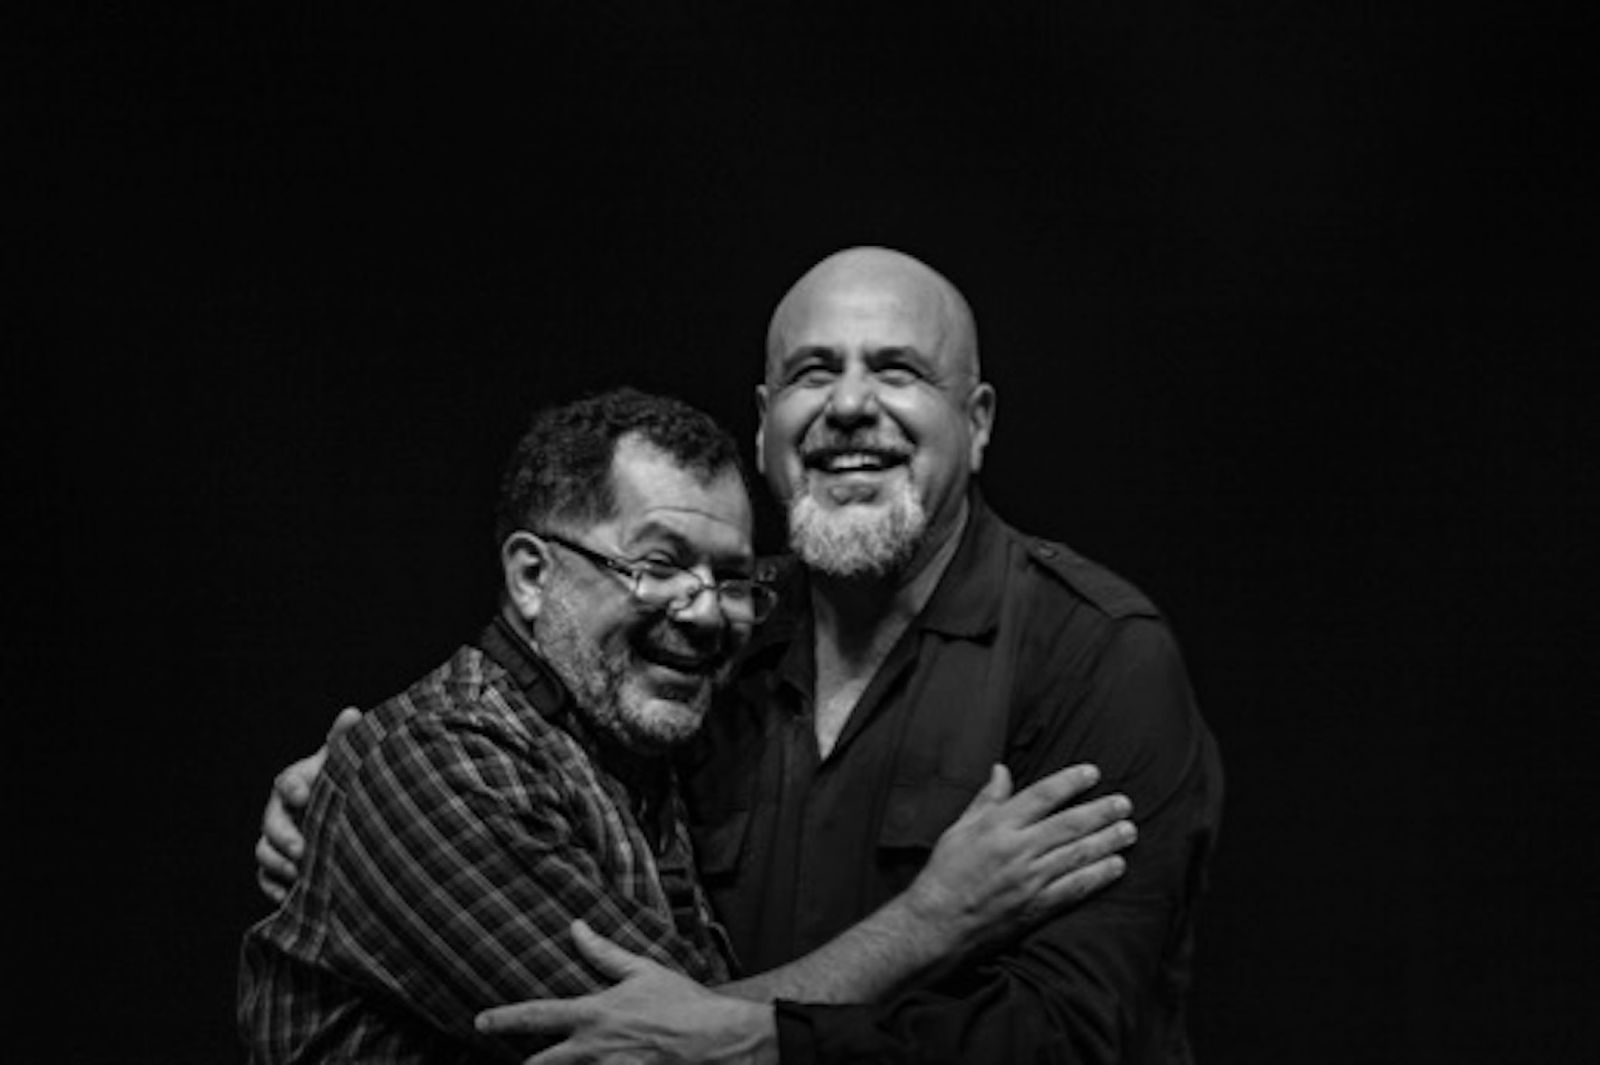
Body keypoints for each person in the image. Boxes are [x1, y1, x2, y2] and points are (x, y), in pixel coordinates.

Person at [262, 247, 1223, 1063]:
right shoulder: (706, 639)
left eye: (897, 370)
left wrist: (750, 1041)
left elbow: (1072, 1037)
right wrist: (348, 794)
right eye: (813, 371)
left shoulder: (1096, 654)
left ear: (975, 423)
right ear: (766, 426)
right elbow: (506, 758)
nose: (851, 404)